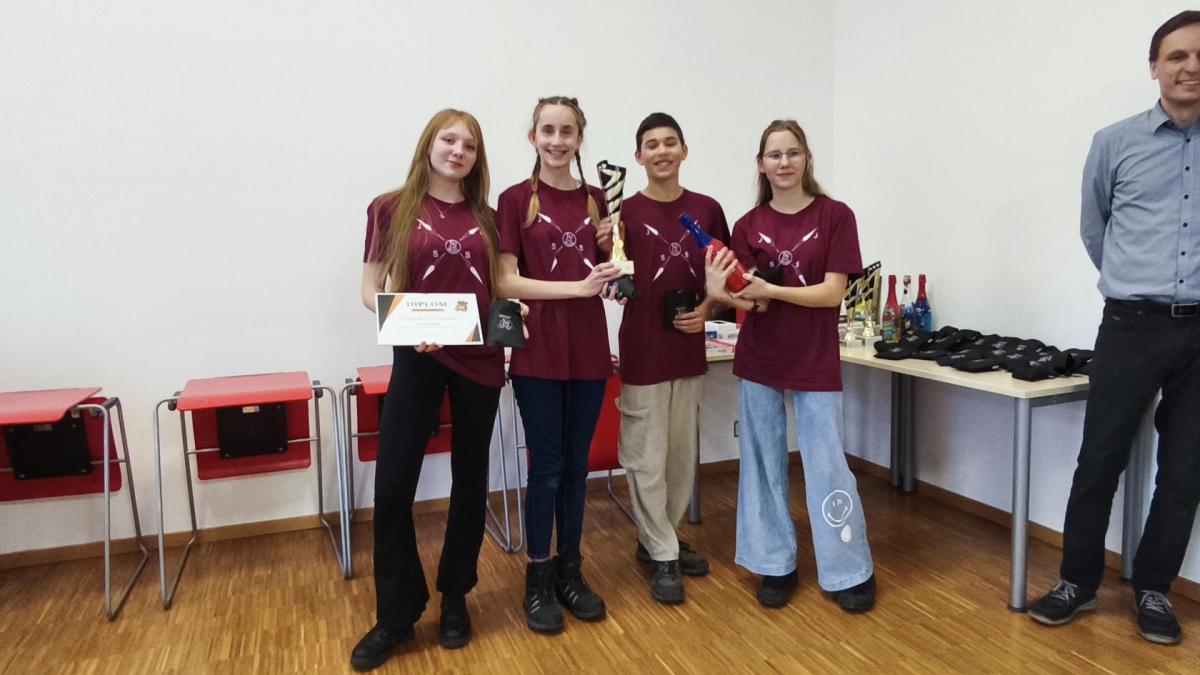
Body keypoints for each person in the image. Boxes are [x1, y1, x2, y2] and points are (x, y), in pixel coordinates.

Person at [1028, 11, 1200, 646]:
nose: (1191, 67)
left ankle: (1154, 588)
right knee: (1099, 460)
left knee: (1185, 469)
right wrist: (1133, 281)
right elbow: (1094, 228)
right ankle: (1076, 582)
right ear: (1154, 67)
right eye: (1177, 56)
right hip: (1131, 324)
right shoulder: (1114, 142)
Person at [351, 109, 506, 670]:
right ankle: (396, 616)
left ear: (477, 158)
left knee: (471, 480)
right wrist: (404, 321)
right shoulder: (389, 208)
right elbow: (370, 287)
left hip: (479, 360)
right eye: (449, 139)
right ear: (429, 144)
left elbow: (501, 290)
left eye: (470, 145)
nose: (458, 151)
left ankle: (456, 595)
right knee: (393, 485)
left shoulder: (490, 219)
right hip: (416, 356)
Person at [705, 119, 876, 612]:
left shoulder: (835, 216)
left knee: (828, 465)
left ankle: (848, 570)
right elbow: (752, 301)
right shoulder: (747, 225)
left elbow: (832, 293)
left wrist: (774, 290)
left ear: (806, 159)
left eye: (792, 153)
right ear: (761, 164)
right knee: (761, 463)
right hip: (760, 357)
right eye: (774, 155)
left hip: (815, 357)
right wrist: (722, 292)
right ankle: (774, 563)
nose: (784, 162)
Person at [495, 96, 622, 633]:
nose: (557, 140)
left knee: (576, 466)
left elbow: (614, 279)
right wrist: (576, 288)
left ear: (579, 138)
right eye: (547, 130)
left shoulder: (599, 200)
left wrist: (613, 255)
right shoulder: (513, 199)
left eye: (567, 131)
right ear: (533, 137)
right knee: (546, 467)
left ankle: (572, 571)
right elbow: (505, 280)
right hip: (538, 351)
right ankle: (539, 576)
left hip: (589, 349)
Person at [615, 112, 729, 604]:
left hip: (688, 350)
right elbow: (609, 277)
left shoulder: (707, 210)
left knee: (681, 457)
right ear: (638, 156)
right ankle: (663, 550)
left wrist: (707, 309)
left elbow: (727, 278)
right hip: (642, 350)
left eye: (669, 143)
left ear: (684, 150)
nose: (661, 151)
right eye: (651, 145)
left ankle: (657, 538)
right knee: (646, 456)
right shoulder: (621, 214)